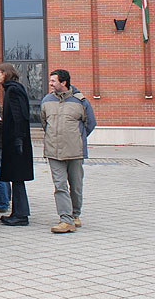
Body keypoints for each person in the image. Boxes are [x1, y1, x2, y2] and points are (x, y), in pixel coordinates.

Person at [40, 69, 96, 233]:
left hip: (75, 152)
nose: (50, 84)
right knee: (60, 186)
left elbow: (90, 123)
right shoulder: (46, 100)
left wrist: (77, 138)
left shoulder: (80, 101)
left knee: (76, 185)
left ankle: (75, 214)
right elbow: (44, 123)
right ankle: (65, 219)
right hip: (53, 151)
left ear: (63, 82)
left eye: (53, 81)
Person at [0, 63, 34, 227]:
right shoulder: (14, 89)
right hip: (17, 140)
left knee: (17, 178)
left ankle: (20, 214)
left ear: (5, 73)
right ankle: (18, 212)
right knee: (17, 179)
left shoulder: (13, 90)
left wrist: (18, 139)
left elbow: (19, 116)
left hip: (16, 142)